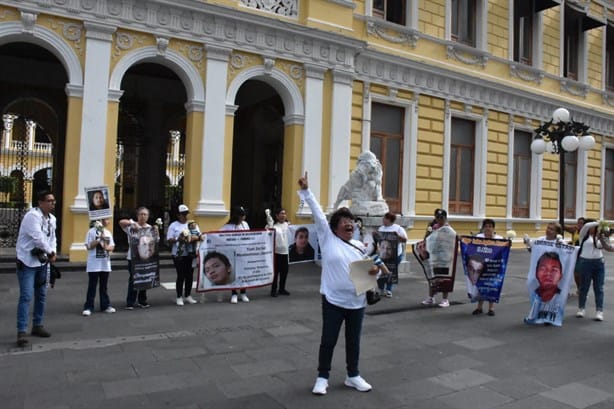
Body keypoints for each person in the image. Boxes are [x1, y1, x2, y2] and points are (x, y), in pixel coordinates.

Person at [298, 172, 378, 396]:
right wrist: (306, 191)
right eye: (345, 222)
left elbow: (367, 273)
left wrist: (374, 274)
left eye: (351, 222)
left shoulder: (359, 246)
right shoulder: (328, 238)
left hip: (357, 302)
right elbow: (318, 214)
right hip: (333, 300)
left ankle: (353, 375)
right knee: (328, 340)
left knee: (354, 341)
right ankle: (322, 377)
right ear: (335, 227)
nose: (349, 224)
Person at [15, 190, 57, 347]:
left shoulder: (52, 219)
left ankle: (37, 325)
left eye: (54, 201)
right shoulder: (32, 216)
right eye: (49, 201)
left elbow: (52, 238)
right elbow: (38, 238)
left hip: (42, 262)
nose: (52, 203)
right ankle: (21, 331)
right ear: (40, 202)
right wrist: (50, 251)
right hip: (27, 262)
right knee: (26, 296)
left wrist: (53, 252)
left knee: (41, 295)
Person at [119, 207, 158, 309]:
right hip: (133, 258)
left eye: (145, 214)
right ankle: (130, 302)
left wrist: (157, 231)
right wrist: (132, 223)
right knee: (133, 279)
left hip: (145, 257)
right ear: (137, 216)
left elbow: (156, 241)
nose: (143, 216)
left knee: (144, 278)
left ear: (148, 216)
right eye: (141, 214)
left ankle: (142, 300)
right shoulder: (132, 226)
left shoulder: (150, 228)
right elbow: (121, 222)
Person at [575, 219, 614, 321]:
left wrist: (601, 238)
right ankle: (581, 309)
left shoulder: (600, 237)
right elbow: (587, 225)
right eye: (594, 226)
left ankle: (599, 311)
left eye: (596, 227)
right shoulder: (583, 235)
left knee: (599, 288)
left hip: (598, 264)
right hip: (585, 263)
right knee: (584, 287)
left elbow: (607, 248)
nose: (594, 228)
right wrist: (601, 223)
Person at [167, 204, 200, 306]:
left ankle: (188, 295)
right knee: (181, 275)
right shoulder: (174, 225)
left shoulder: (192, 224)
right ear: (178, 215)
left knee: (189, 275)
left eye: (186, 214)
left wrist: (193, 238)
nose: (185, 216)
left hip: (190, 253)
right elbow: (169, 239)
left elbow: (199, 235)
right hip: (178, 254)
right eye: (183, 214)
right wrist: (178, 239)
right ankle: (179, 296)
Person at [82, 218, 116, 316]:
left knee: (104, 286)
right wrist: (99, 239)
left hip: (105, 263)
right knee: (92, 286)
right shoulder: (91, 232)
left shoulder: (108, 233)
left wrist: (107, 247)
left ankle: (105, 305)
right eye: (106, 219)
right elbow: (89, 246)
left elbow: (112, 246)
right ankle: (88, 307)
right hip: (94, 264)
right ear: (101, 220)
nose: (108, 221)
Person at [421, 208, 454, 308]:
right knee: (432, 278)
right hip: (434, 256)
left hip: (444, 257)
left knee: (444, 278)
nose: (439, 219)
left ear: (445, 218)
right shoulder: (433, 226)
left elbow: (453, 239)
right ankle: (431, 297)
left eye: (441, 217)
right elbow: (426, 238)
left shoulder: (448, 229)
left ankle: (445, 299)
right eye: (437, 217)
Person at [472, 218, 503, 316]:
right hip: (480, 266)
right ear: (483, 228)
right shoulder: (479, 237)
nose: (488, 229)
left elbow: (503, 251)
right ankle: (479, 307)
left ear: (493, 228)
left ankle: (491, 308)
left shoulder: (499, 239)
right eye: (486, 226)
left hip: (493, 266)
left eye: (490, 226)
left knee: (492, 286)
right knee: (480, 286)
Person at [220, 206, 250, 304]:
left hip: (244, 253)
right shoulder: (227, 227)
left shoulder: (245, 225)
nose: (244, 217)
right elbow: (218, 236)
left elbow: (250, 236)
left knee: (244, 273)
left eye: (244, 214)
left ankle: (243, 292)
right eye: (242, 215)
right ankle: (234, 293)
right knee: (233, 274)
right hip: (232, 254)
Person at [377, 212, 407, 297]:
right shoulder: (381, 228)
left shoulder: (398, 229)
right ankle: (381, 288)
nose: (383, 220)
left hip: (395, 254)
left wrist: (398, 236)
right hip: (382, 255)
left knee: (391, 271)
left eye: (385, 218)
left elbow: (404, 240)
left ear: (389, 220)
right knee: (381, 271)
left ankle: (389, 289)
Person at [266, 208, 291, 297]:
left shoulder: (289, 226)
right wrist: (269, 222)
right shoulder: (274, 226)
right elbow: (268, 232)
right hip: (276, 253)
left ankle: (282, 289)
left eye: (284, 213)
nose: (283, 215)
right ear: (277, 216)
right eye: (281, 213)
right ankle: (273, 290)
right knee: (276, 273)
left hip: (286, 253)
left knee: (284, 272)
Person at [565, 217, 586, 295]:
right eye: (578, 223)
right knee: (576, 273)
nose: (580, 224)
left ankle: (582, 289)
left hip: (583, 254)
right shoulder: (575, 231)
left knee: (580, 273)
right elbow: (564, 227)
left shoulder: (586, 232)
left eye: (582, 223)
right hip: (574, 254)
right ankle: (579, 289)